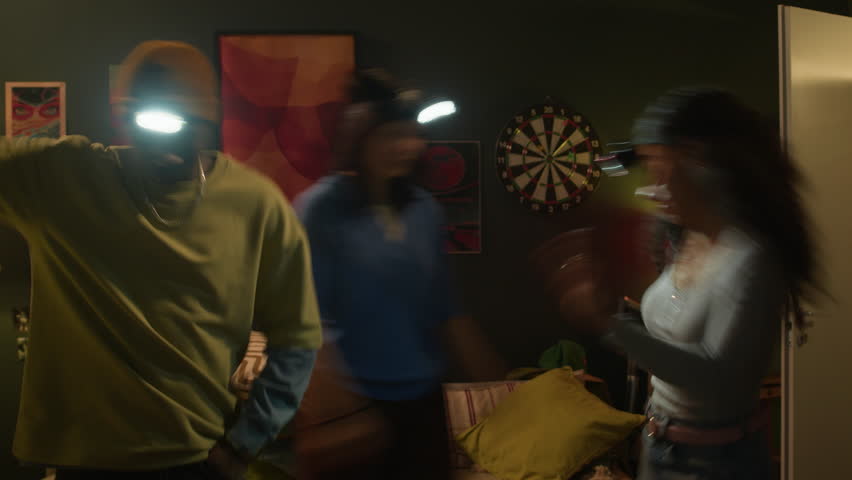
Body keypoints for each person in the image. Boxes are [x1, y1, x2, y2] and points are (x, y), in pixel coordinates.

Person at [0, 40, 322, 479]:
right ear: (125, 118)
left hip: (199, 458)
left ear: (210, 119)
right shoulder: (62, 177)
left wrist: (246, 442)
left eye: (185, 122)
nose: (167, 139)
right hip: (84, 460)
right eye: (150, 121)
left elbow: (298, 338)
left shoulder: (254, 203)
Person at [541, 87, 818, 479]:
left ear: (697, 161)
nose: (651, 179)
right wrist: (611, 304)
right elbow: (672, 336)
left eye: (658, 162)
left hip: (716, 463)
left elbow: (713, 376)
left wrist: (609, 324)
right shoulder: (687, 237)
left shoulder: (752, 257)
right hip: (660, 447)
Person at [293, 70, 494, 480]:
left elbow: (447, 309)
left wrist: (497, 380)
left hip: (423, 405)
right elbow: (309, 321)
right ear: (361, 138)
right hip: (356, 406)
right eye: (391, 135)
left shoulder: (424, 209)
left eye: (412, 134)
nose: (407, 146)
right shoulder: (319, 210)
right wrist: (342, 410)